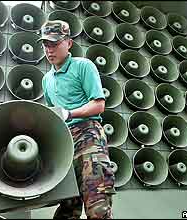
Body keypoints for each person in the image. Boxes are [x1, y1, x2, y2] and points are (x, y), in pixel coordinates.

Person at [38, 20, 116, 219]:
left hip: (89, 137)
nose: (49, 50)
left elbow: (98, 105)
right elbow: (53, 114)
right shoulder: (46, 80)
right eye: (45, 44)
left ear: (69, 43)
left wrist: (69, 113)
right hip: (64, 144)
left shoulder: (83, 66)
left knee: (97, 205)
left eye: (54, 44)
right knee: (66, 209)